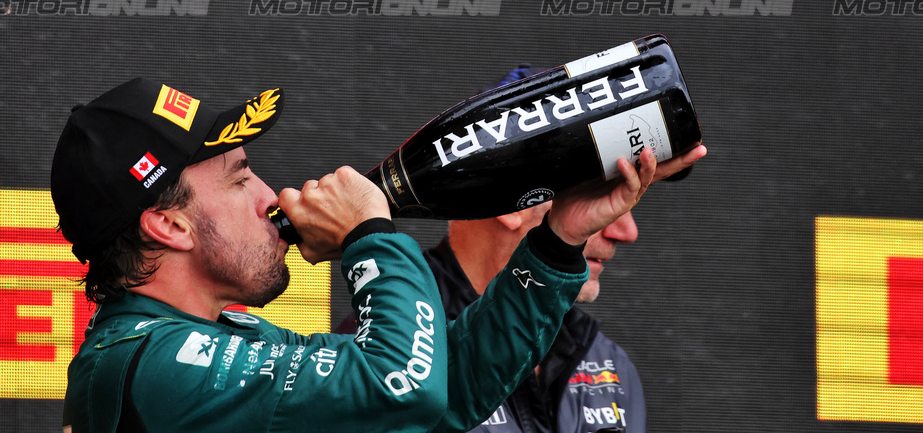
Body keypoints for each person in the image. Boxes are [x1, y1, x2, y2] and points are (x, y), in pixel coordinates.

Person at [50, 78, 703, 433]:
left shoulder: (208, 338)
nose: (270, 194)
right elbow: (406, 387)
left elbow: (445, 397)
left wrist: (557, 242)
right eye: (240, 176)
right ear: (170, 226)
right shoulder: (151, 365)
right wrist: (373, 232)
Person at [342, 65, 653, 433]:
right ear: (513, 204)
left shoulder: (610, 367)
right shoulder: (381, 345)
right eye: (596, 193)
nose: (627, 230)